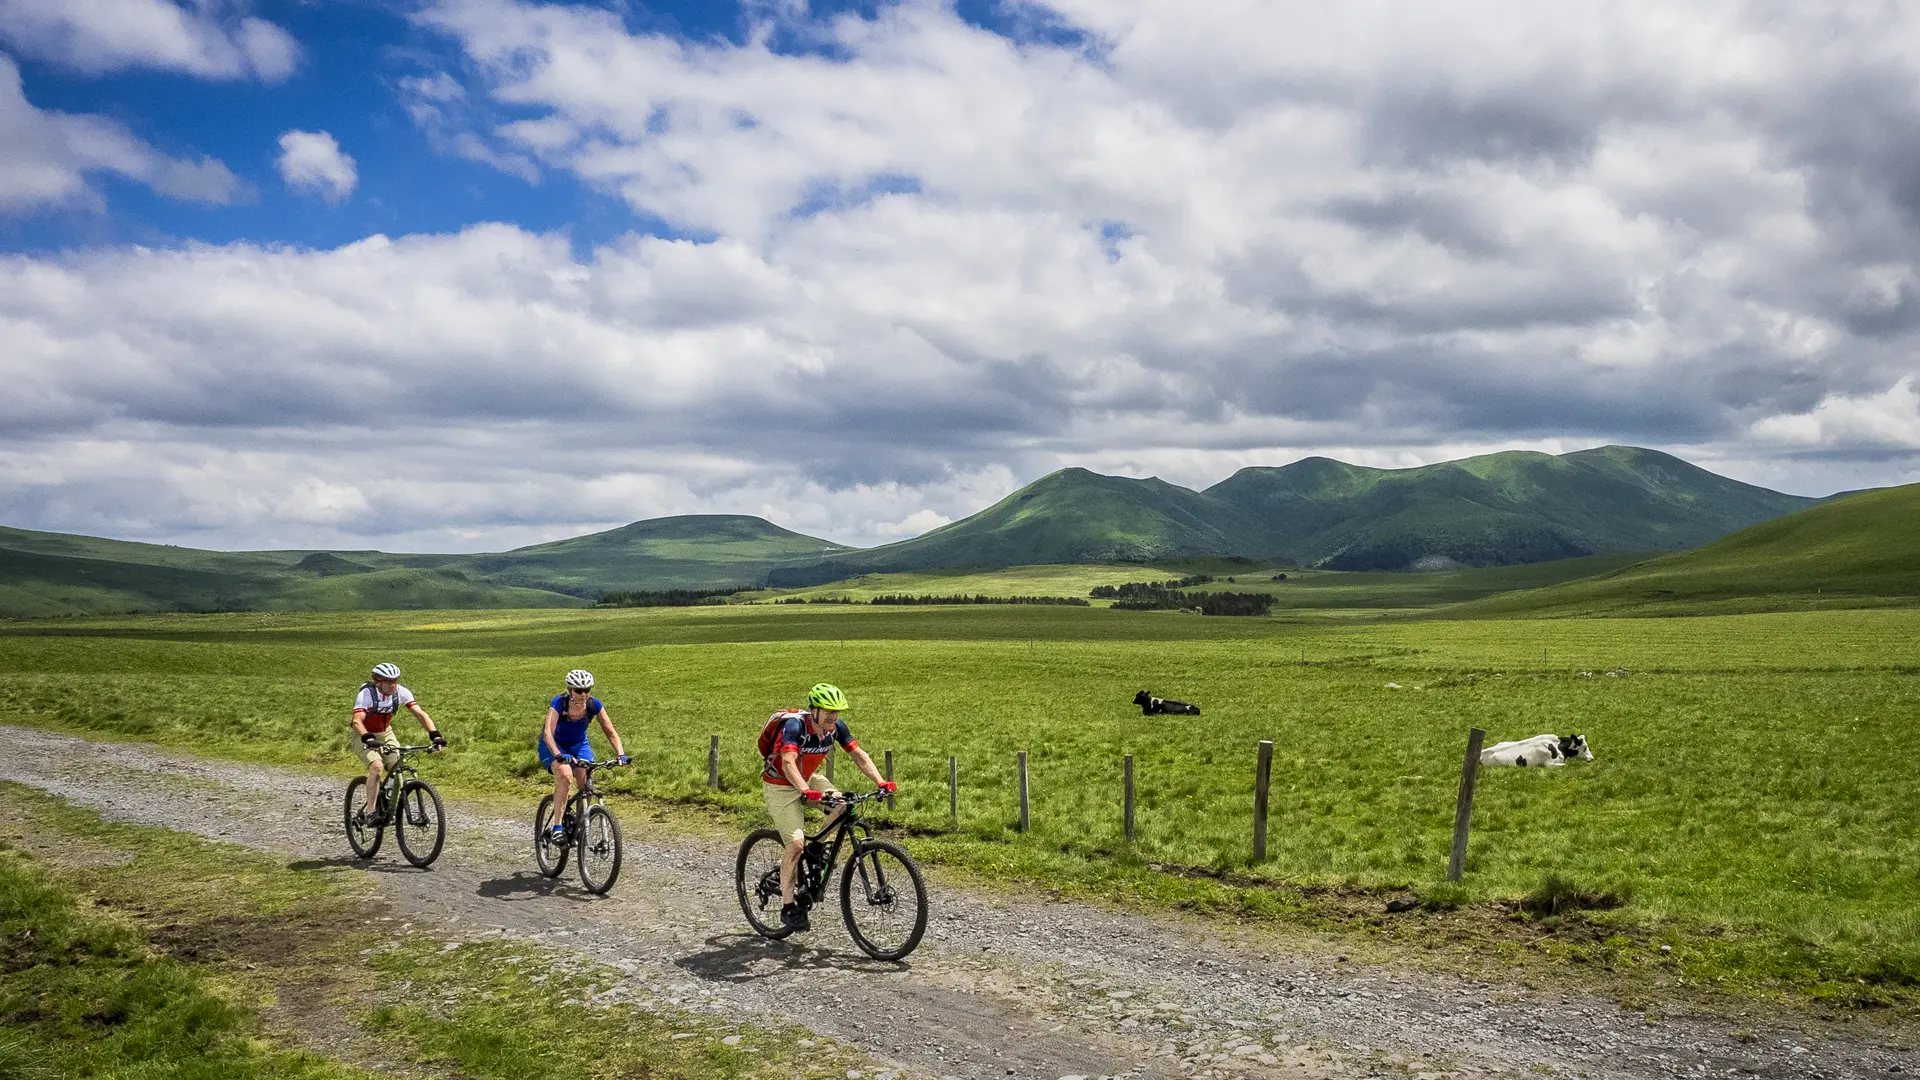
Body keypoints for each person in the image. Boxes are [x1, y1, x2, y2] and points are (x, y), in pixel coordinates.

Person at [761, 682, 894, 931]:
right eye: (828, 711)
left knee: (842, 805)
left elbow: (858, 754)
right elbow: (789, 762)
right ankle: (789, 908)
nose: (834, 716)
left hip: (808, 778)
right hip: (780, 785)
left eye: (837, 711)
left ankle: (817, 846)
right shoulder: (795, 726)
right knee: (795, 845)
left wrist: (881, 781)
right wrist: (805, 791)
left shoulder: (835, 728)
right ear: (814, 711)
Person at [539, 669, 629, 840]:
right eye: (579, 690)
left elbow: (611, 732)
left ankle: (580, 820)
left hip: (579, 745)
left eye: (587, 690)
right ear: (570, 690)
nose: (583, 694)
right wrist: (558, 755)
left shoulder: (593, 705)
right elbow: (548, 734)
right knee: (565, 775)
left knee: (586, 779)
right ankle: (557, 826)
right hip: (554, 745)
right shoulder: (559, 703)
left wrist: (620, 754)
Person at [350, 662, 445, 823]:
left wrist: (435, 735)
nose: (393, 685)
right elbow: (357, 721)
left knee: (396, 766)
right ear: (377, 681)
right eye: (388, 681)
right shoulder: (366, 694)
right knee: (377, 767)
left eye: (395, 681)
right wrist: (368, 738)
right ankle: (370, 812)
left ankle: (388, 801)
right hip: (362, 734)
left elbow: (420, 715)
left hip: (386, 732)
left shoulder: (401, 692)